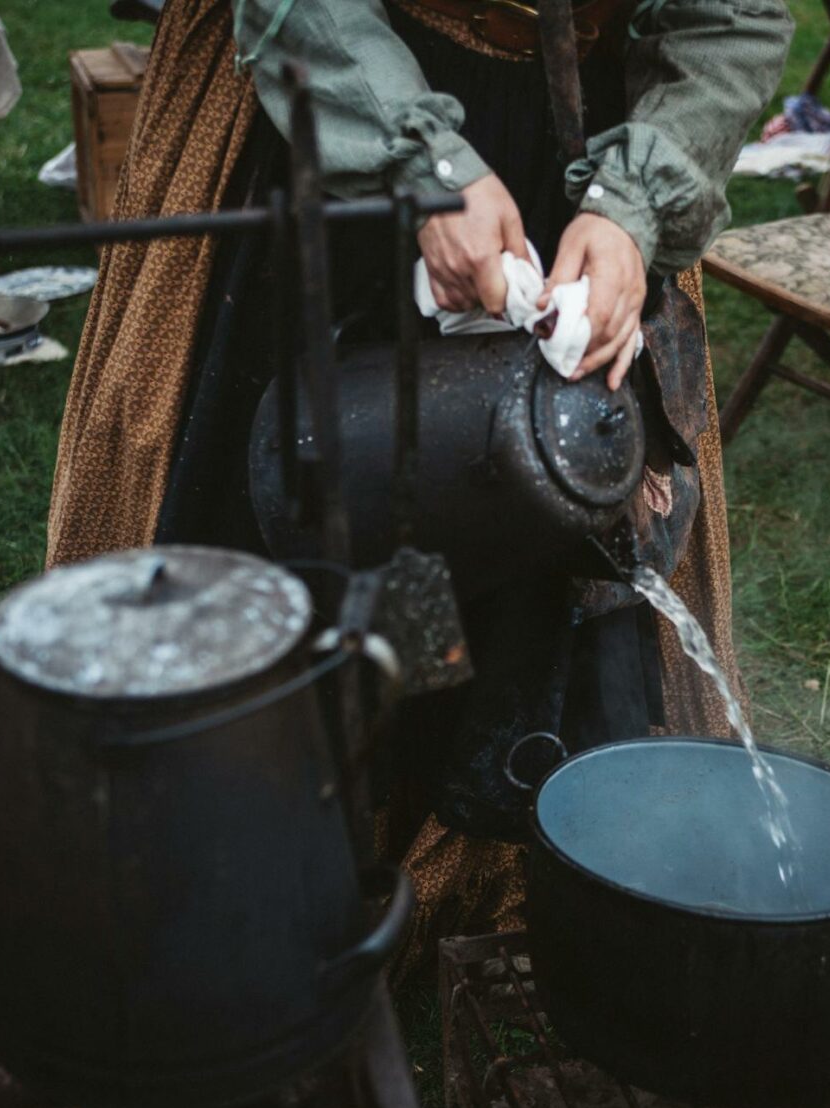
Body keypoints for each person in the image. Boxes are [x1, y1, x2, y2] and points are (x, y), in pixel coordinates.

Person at [45, 0, 791, 970]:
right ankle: (234, 858)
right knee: (285, 495)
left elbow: (727, 17)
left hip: (583, 156)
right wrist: (424, 163)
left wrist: (629, 211)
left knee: (524, 496)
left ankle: (461, 857)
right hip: (331, 98)